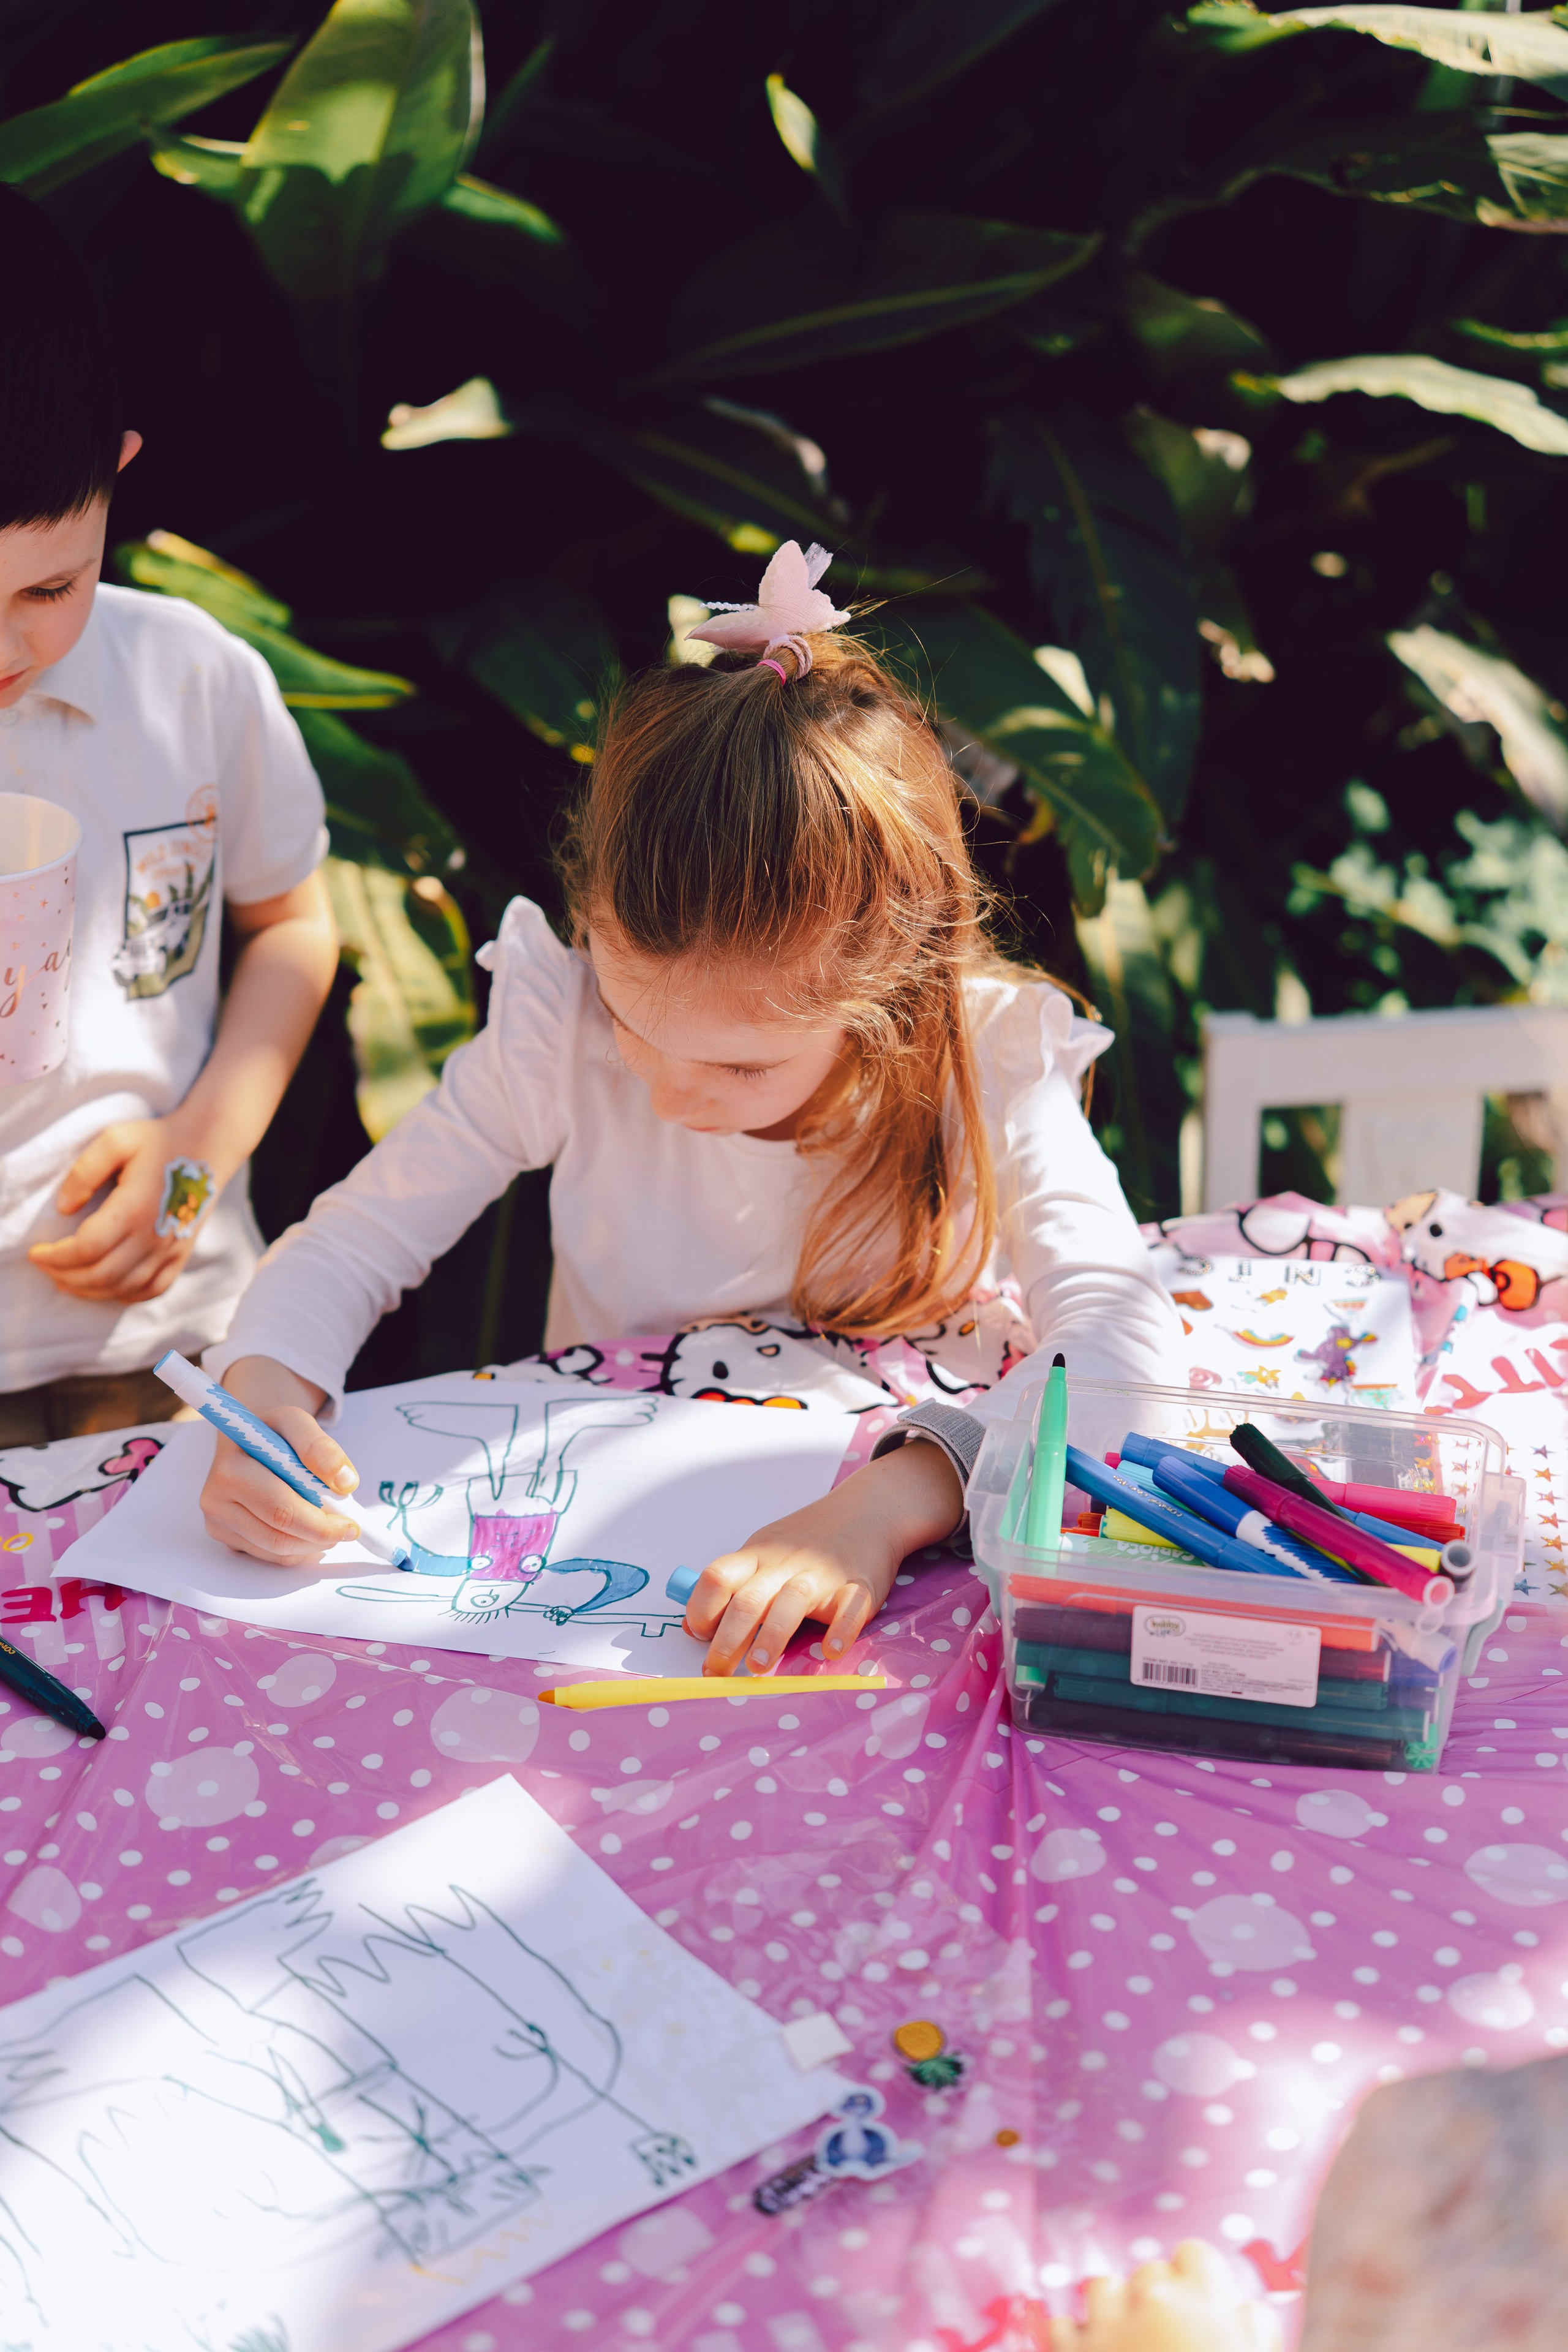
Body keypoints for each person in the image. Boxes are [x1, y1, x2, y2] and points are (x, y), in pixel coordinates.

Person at [198, 540, 1183, 1669]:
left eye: (744, 1067)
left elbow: (1123, 1349)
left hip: (923, 1556)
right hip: (605, 1581)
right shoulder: (558, 1028)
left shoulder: (986, 1053)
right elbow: (355, 1240)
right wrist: (266, 1384)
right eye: (635, 1023)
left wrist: (886, 1506)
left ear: (889, 991)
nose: (668, 1089)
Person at [0, 188, 337, 1444]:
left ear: (118, 481)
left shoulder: (190, 682)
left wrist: (194, 1156)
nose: (8, 646)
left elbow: (293, 923)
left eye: (51, 584)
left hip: (168, 1343)